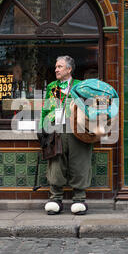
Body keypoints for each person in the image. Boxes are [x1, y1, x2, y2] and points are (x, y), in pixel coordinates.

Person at [39, 56, 93, 215]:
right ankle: (55, 198)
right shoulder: (51, 87)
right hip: (56, 130)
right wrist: (43, 127)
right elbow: (46, 108)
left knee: (80, 162)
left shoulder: (81, 86)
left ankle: (79, 199)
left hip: (78, 130)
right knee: (56, 163)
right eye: (56, 66)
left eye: (60, 67)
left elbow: (89, 107)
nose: (56, 69)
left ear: (69, 69)